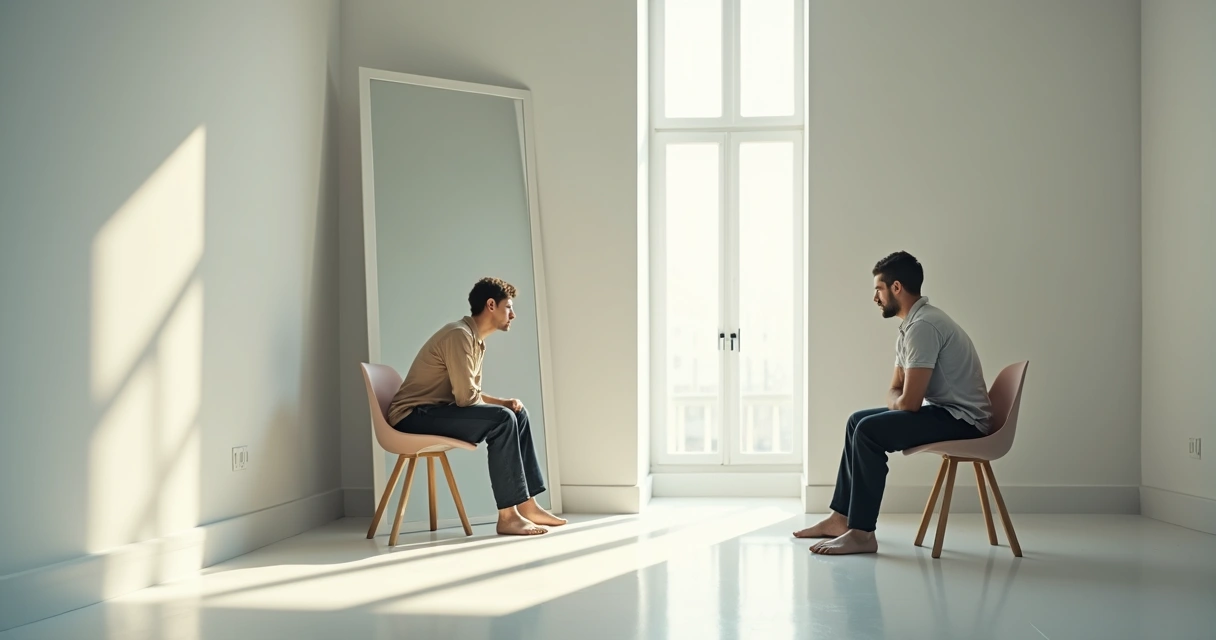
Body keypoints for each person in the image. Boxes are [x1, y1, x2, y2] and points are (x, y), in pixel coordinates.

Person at [794, 252, 992, 555]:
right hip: (946, 412)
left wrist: (899, 400)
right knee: (856, 421)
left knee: (869, 432)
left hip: (964, 421)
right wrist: (898, 400)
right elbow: (894, 390)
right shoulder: (910, 327)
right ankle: (841, 518)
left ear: (896, 287)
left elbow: (909, 402)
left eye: (879, 289)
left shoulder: (924, 327)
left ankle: (862, 533)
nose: (875, 297)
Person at [387, 277, 565, 536]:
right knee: (504, 420)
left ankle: (528, 503)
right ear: (491, 305)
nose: (513, 315)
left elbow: (469, 393)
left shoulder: (473, 339)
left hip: (433, 411)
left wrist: (503, 403)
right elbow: (466, 399)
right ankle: (508, 516)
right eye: (508, 307)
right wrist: (499, 409)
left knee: (517, 413)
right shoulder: (459, 336)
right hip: (412, 416)